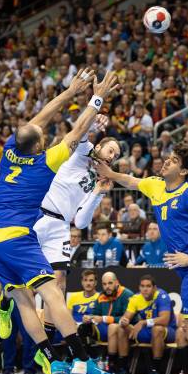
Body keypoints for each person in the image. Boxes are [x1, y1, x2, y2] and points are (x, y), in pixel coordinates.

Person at [0, 68, 117, 374]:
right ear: (39, 144)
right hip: (20, 238)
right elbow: (77, 132)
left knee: (24, 301)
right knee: (54, 295)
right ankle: (82, 357)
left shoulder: (9, 152)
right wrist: (97, 97)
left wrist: (72, 92)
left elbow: (40, 118)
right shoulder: (47, 162)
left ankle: (50, 358)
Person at [98, 143, 188, 374]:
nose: (167, 161)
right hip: (186, 271)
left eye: (174, 160)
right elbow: (131, 180)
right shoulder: (157, 185)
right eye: (168, 157)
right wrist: (108, 173)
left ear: (183, 171)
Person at [30, 113, 118, 343]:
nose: (113, 156)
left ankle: (48, 339)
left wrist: (98, 194)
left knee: (59, 282)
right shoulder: (82, 153)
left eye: (116, 156)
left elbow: (80, 222)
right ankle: (7, 305)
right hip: (40, 216)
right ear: (99, 147)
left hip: (61, 225)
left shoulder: (96, 181)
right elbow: (78, 135)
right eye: (111, 151)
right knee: (25, 279)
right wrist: (94, 123)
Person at [118, 275, 177, 374]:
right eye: (142, 286)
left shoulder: (162, 296)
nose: (145, 289)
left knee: (157, 329)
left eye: (148, 286)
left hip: (169, 330)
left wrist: (144, 322)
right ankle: (124, 370)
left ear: (154, 288)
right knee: (121, 328)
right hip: (148, 331)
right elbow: (126, 317)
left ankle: (155, 371)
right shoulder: (136, 298)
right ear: (139, 288)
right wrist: (124, 321)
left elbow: (165, 320)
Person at [80, 272, 134, 374]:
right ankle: (86, 364)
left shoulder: (127, 294)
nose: (107, 287)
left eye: (110, 283)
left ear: (117, 282)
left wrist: (104, 318)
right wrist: (89, 317)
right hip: (106, 329)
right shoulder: (101, 296)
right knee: (83, 328)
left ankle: (116, 366)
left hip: (127, 328)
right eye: (104, 284)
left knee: (113, 327)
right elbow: (95, 313)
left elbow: (125, 319)